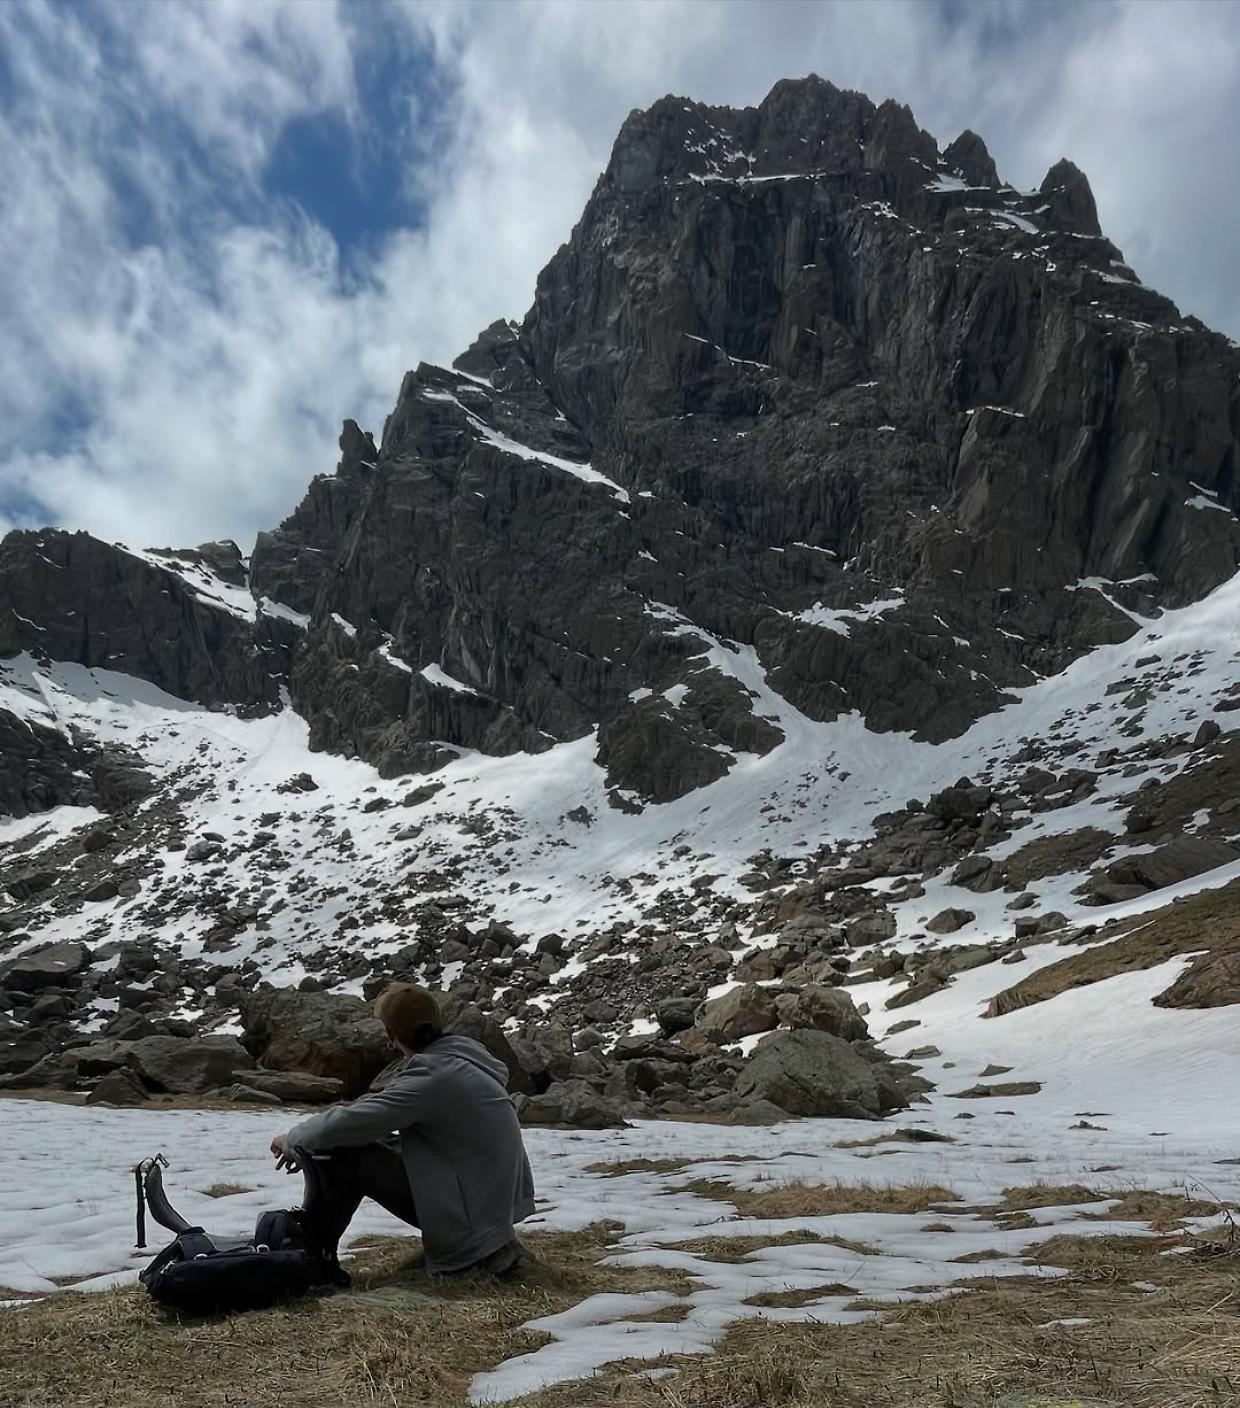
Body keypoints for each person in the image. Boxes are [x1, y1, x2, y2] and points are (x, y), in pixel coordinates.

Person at [269, 982, 535, 1279]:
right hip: (490, 1212)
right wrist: (307, 1147)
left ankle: (313, 1262)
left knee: (344, 1151)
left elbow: (348, 1123)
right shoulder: (465, 1061)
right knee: (358, 1141)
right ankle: (312, 1254)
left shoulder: (433, 1077)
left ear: (391, 1035)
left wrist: (292, 1141)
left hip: (471, 1225)